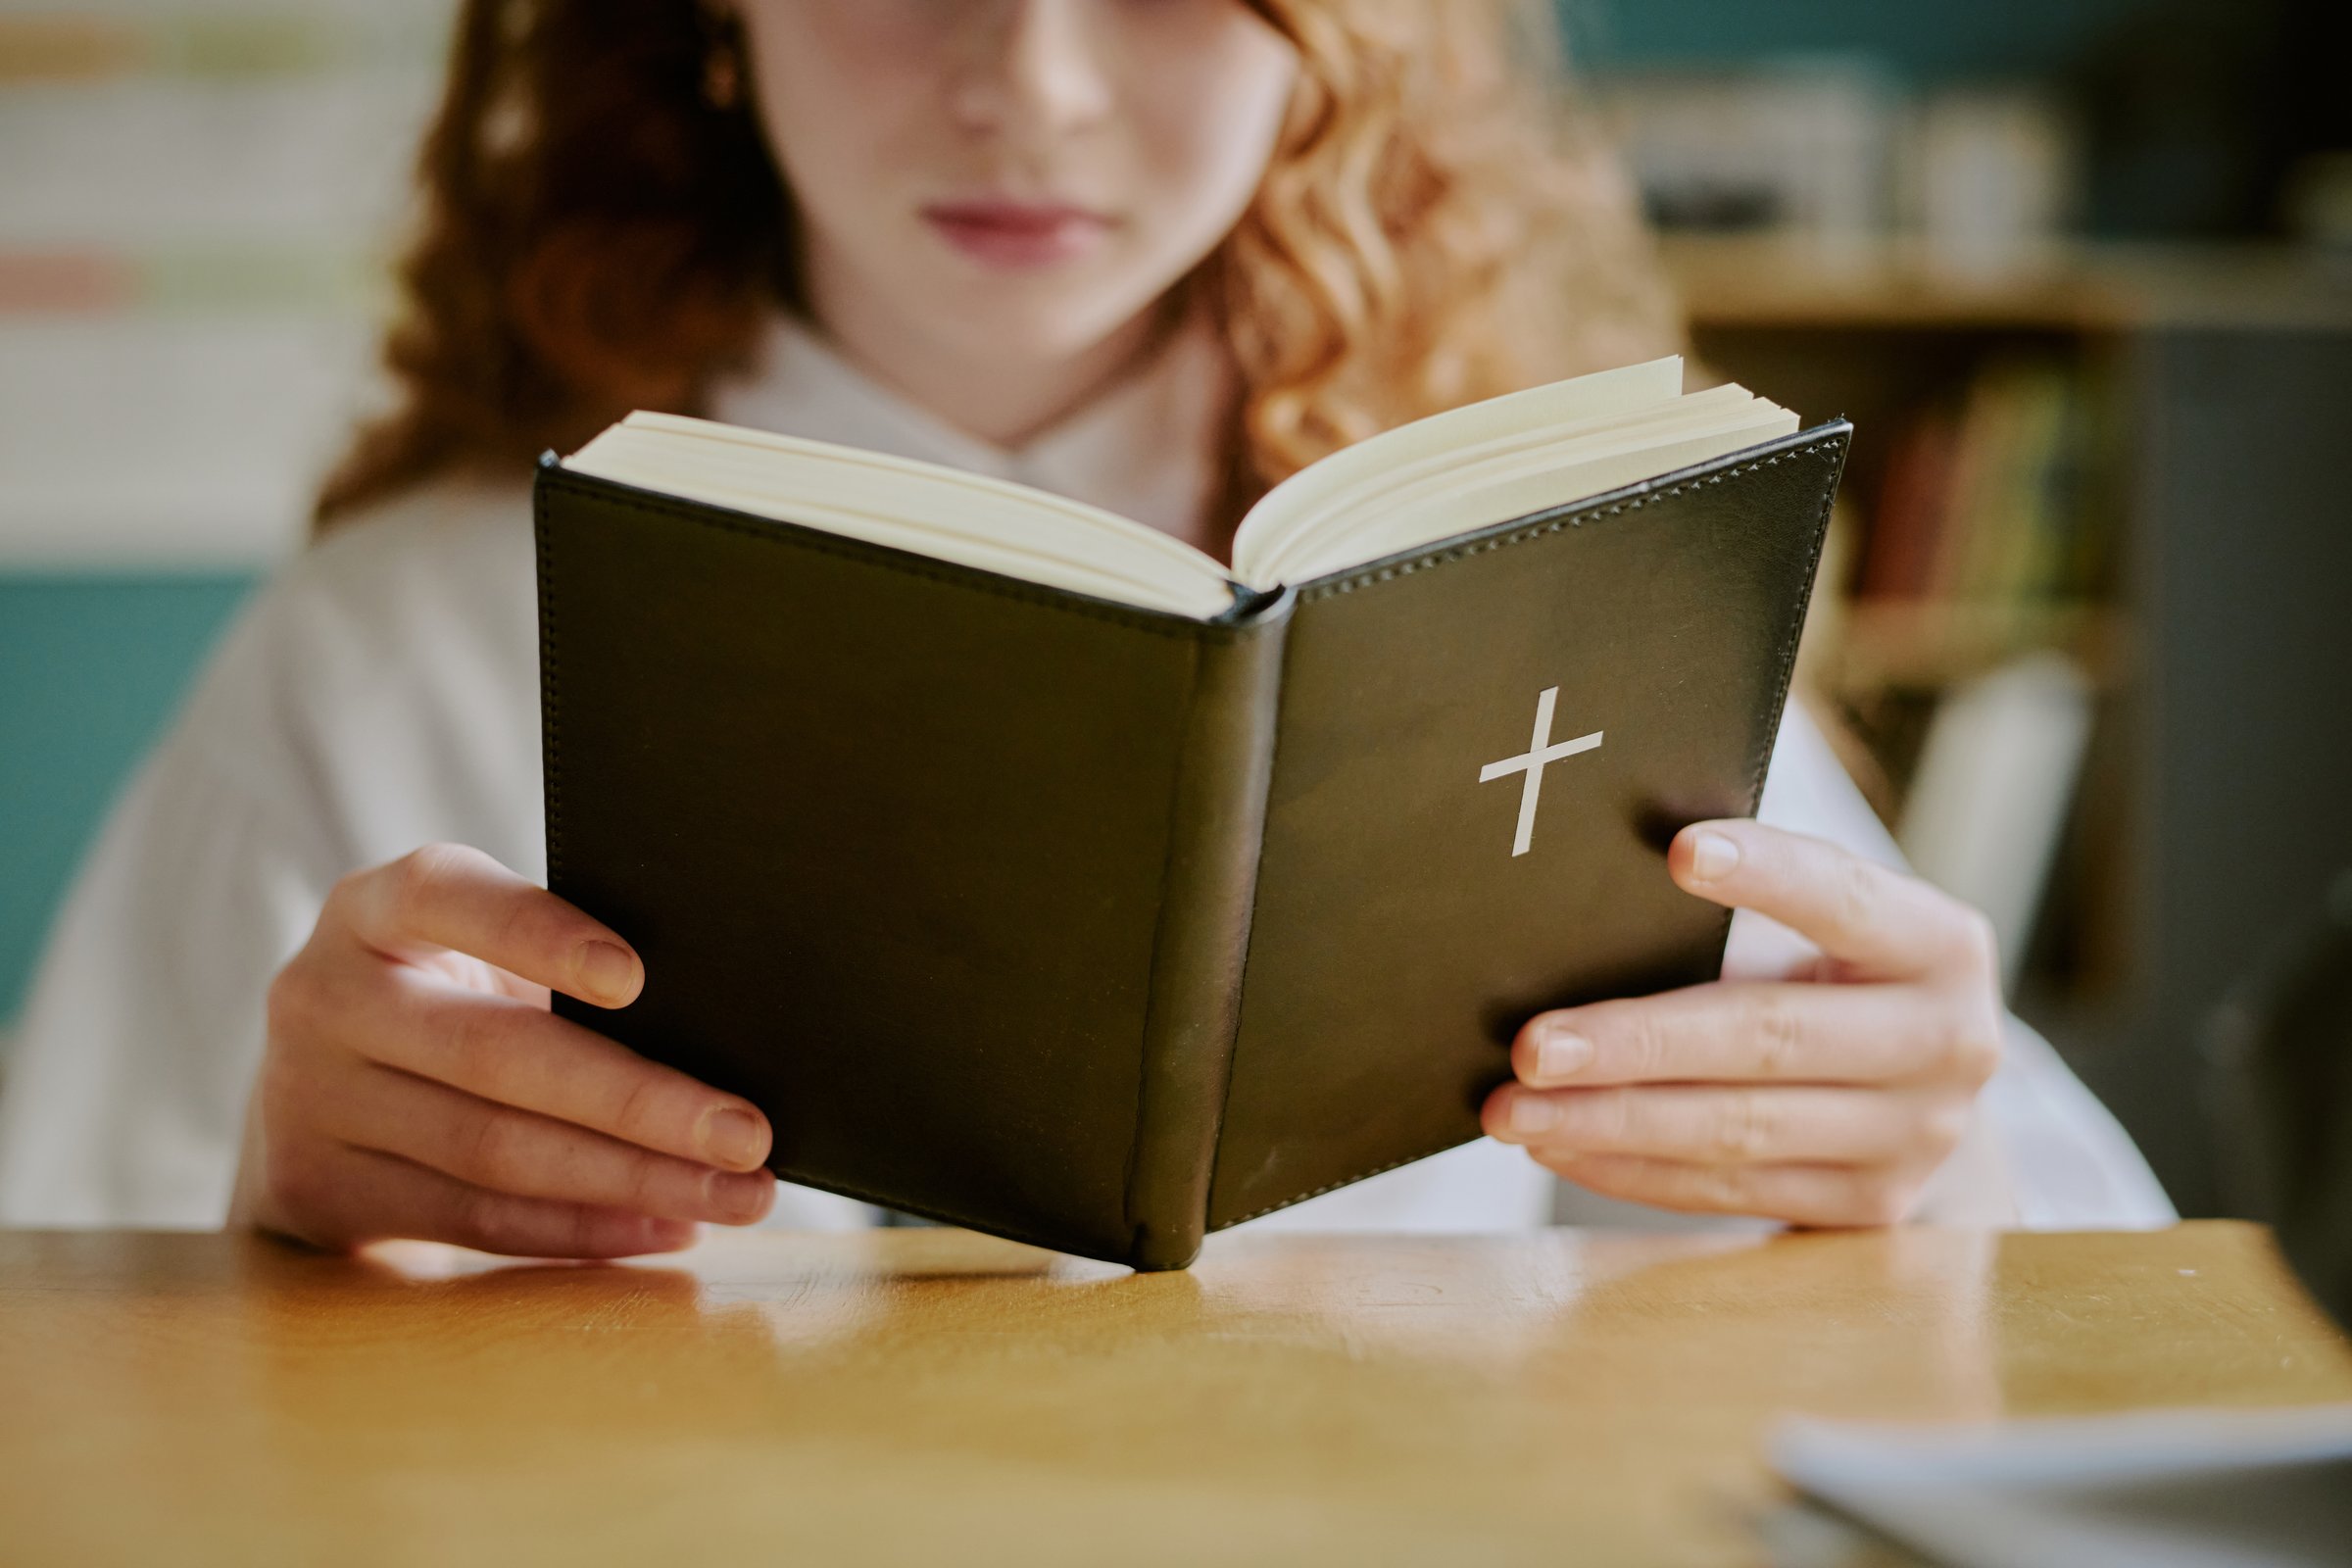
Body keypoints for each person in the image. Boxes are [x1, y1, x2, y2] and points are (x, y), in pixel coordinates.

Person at [0, 0, 2172, 1254]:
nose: (1028, 81)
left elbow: (2052, 1291)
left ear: (1335, 43)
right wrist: (272, 1213)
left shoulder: (1548, 577)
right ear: (706, 31)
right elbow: (84, 1371)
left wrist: (1928, 1136)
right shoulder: (395, 636)